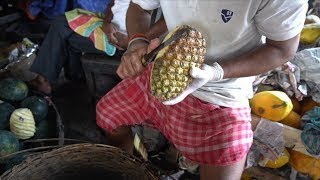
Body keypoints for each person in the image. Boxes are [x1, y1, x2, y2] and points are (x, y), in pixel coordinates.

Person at [96, 1, 308, 179]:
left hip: (222, 88)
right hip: (164, 66)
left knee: (228, 158)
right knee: (108, 115)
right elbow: (140, 6)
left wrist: (216, 72)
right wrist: (137, 42)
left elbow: (282, 49)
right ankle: (128, 167)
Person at [28, 0, 130, 95]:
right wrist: (107, 22)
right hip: (108, 26)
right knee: (65, 24)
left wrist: (131, 42)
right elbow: (114, 3)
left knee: (61, 27)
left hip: (123, 42)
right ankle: (75, 76)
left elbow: (142, 31)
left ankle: (44, 79)